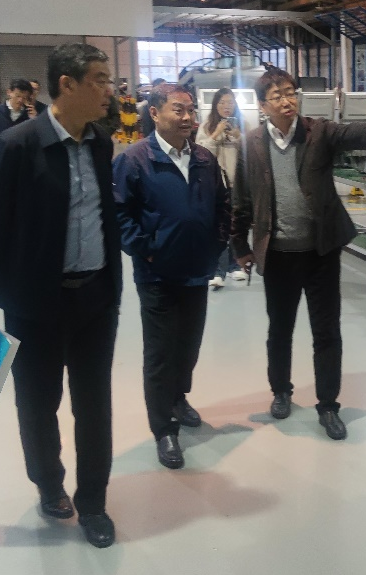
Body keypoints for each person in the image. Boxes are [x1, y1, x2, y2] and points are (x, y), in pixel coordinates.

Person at [0, 44, 122, 548]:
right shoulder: (16, 146)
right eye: (99, 79)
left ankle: (93, 501)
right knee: (38, 402)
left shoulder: (100, 142)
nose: (108, 89)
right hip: (35, 303)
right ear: (66, 85)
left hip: (94, 299)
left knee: (94, 405)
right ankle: (50, 485)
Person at [231, 69, 366, 440]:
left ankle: (328, 405)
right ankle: (281, 391)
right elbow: (241, 199)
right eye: (277, 95)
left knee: (327, 331)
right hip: (278, 255)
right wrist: (240, 246)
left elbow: (349, 133)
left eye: (290, 92)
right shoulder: (252, 143)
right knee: (280, 330)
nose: (287, 101)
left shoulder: (318, 132)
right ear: (262, 105)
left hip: (320, 253)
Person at [113, 83, 230, 470]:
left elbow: (223, 204)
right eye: (178, 110)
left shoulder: (204, 159)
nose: (187, 118)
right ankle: (164, 428)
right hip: (157, 275)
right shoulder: (134, 160)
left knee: (188, 346)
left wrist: (216, 245)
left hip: (196, 271)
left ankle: (178, 398)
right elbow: (118, 213)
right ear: (155, 113)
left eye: (191, 111)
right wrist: (146, 247)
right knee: (161, 354)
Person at [195, 87, 246, 289]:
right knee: (216, 226)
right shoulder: (206, 126)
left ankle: (235, 265)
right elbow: (201, 152)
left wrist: (238, 136)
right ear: (215, 105)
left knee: (235, 225)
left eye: (230, 102)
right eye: (222, 102)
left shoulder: (243, 125)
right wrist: (216, 134)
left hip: (236, 184)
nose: (227, 106)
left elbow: (252, 152)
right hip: (214, 184)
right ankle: (217, 270)